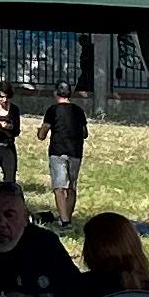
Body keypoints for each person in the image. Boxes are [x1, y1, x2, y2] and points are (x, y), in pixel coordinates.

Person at [43, 78, 91, 223]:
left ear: (56, 93)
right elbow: (85, 133)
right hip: (75, 152)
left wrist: (40, 132)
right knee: (72, 186)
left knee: (59, 187)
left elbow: (43, 132)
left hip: (57, 151)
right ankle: (67, 217)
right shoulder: (78, 111)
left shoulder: (52, 110)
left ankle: (64, 221)